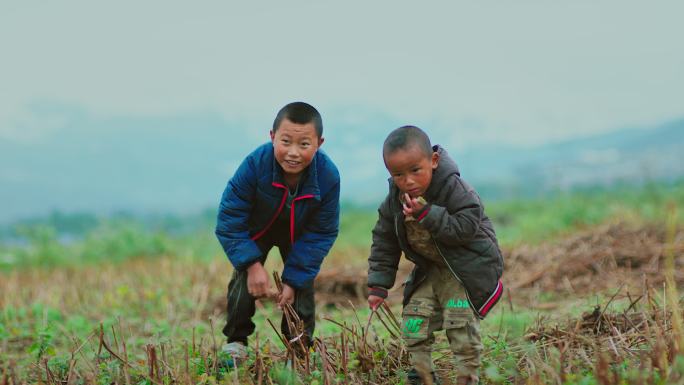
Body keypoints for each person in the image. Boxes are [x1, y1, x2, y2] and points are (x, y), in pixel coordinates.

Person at [367, 126, 503, 385]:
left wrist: (428, 215)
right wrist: (378, 284)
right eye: (398, 174)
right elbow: (384, 239)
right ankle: (422, 374)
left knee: (458, 320)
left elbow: (465, 228)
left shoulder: (455, 189)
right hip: (430, 269)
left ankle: (467, 376)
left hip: (464, 267)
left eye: (415, 170)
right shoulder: (395, 200)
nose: (408, 181)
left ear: (433, 161)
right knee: (414, 320)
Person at [215, 101, 340, 365]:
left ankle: (299, 348)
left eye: (304, 145)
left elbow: (321, 232)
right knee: (241, 281)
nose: (293, 153)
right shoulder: (254, 165)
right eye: (286, 142)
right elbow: (229, 218)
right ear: (272, 137)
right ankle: (236, 342)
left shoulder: (328, 176)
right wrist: (251, 264)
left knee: (302, 284)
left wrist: (292, 280)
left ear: (319, 143)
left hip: (301, 235)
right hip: (257, 229)